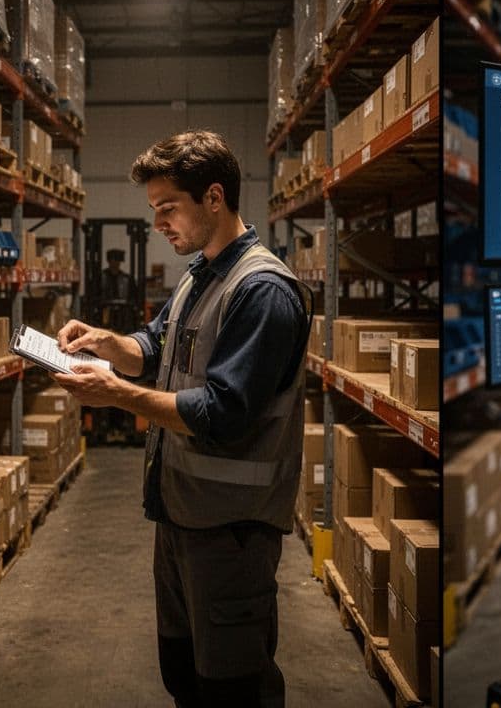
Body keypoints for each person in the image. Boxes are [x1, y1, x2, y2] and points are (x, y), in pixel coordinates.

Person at [51, 130, 311, 708]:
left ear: (214, 197)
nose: (158, 223)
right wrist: (106, 343)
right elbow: (154, 345)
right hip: (180, 515)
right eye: (154, 210)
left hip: (231, 530)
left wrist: (117, 395)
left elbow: (224, 412)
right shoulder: (201, 274)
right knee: (183, 674)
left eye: (168, 208)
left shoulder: (262, 291)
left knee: (232, 689)